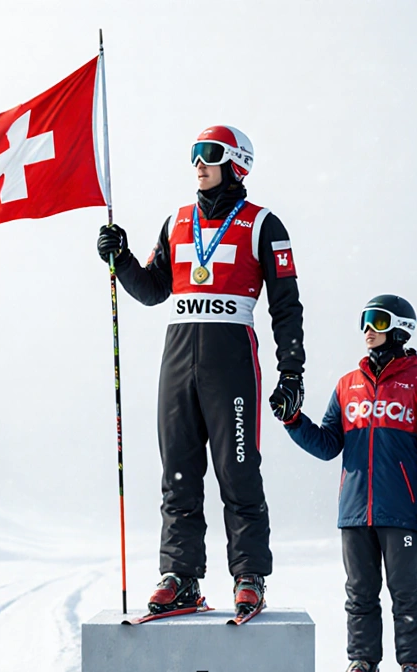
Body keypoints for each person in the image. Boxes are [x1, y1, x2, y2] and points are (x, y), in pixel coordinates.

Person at [96, 125, 306, 622]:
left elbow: (287, 307)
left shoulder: (263, 225)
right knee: (179, 474)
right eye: (193, 154)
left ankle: (248, 576)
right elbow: (152, 290)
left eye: (208, 153)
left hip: (230, 358)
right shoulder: (177, 221)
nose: (198, 162)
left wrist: (291, 373)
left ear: (237, 163)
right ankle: (181, 576)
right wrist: (120, 258)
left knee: (237, 470)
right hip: (178, 356)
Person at [282, 295, 417, 672]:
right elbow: (328, 445)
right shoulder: (347, 385)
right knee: (359, 592)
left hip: (401, 510)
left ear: (401, 328)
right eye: (363, 320)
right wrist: (294, 420)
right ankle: (363, 662)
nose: (367, 329)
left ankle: (413, 664)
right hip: (355, 510)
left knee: (407, 590)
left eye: (376, 320)